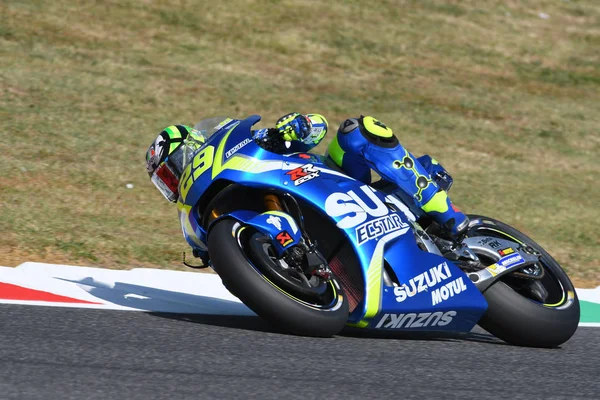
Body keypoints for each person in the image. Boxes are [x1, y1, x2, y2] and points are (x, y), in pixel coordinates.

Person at [145, 113, 468, 242]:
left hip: (335, 183)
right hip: (326, 235)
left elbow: (317, 126)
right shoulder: (195, 223)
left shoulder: (247, 147)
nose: (174, 182)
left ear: (194, 148)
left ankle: (446, 211)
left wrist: (294, 127)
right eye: (166, 182)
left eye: (173, 169)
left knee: (357, 130)